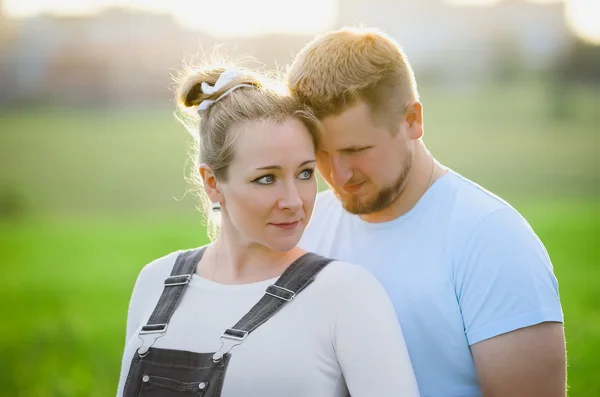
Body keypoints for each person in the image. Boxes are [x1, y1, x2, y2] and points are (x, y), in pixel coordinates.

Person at [287, 26, 566, 397]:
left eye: (356, 150)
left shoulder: (492, 239)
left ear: (413, 120)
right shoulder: (301, 229)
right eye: (320, 154)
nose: (338, 175)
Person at [115, 62, 420, 397]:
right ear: (213, 183)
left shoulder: (345, 293)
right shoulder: (156, 282)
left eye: (304, 173)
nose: (294, 200)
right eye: (266, 178)